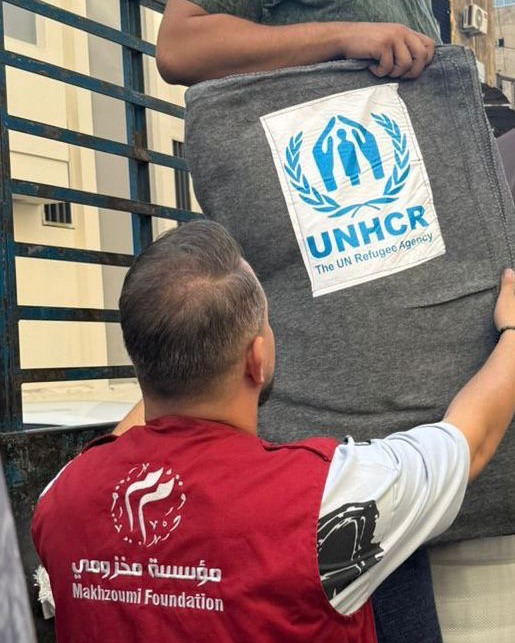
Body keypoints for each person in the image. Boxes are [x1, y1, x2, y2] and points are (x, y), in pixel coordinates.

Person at [32, 220, 515, 643]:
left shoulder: (61, 499)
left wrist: (166, 360)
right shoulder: (329, 499)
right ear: (257, 358)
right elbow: (470, 441)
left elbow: (115, 447)